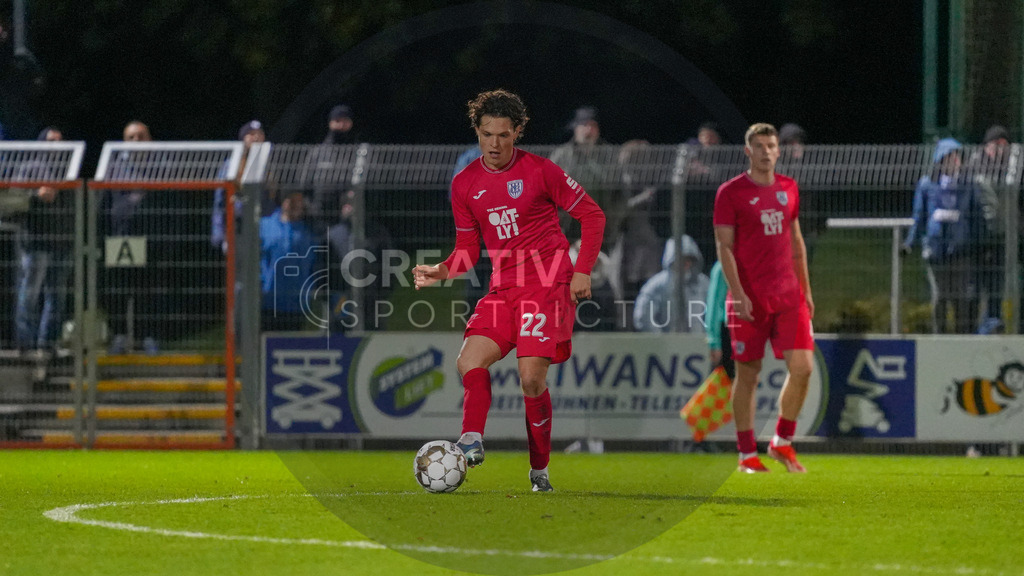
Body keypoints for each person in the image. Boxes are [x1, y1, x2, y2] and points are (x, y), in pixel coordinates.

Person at [413, 89, 605, 492]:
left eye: (503, 135)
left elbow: (592, 215)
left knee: (531, 380)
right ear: (477, 132)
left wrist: (582, 271)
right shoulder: (465, 184)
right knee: (469, 361)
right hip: (503, 288)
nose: (495, 144)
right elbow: (468, 251)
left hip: (547, 285)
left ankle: (539, 471)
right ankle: (471, 439)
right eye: (487, 134)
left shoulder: (541, 171)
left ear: (517, 132)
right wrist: (441, 271)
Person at [713, 122, 815, 473]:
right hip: (750, 299)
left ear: (778, 151)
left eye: (771, 146)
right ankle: (746, 454)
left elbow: (796, 241)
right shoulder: (730, 193)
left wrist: (806, 290)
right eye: (759, 146)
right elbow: (724, 247)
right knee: (748, 376)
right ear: (748, 151)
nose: (766, 152)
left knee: (803, 368)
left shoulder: (789, 187)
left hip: (788, 296)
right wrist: (738, 293)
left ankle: (781, 441)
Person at [902, 138, 984, 334]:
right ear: (940, 160)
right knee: (940, 296)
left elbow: (977, 216)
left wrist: (979, 245)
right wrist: (909, 243)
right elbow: (919, 216)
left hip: (961, 249)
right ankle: (939, 336)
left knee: (961, 298)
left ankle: (961, 337)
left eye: (957, 156)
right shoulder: (927, 184)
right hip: (936, 249)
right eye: (950, 157)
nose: (955, 161)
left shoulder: (968, 184)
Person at [12, 127, 72, 355]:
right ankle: (25, 345)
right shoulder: (29, 168)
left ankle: (47, 345)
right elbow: (14, 197)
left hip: (62, 242)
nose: (56, 145)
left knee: (57, 297)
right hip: (35, 242)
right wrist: (36, 194)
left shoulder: (69, 168)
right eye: (51, 141)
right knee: (30, 293)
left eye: (60, 141)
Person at [549, 106, 615, 248]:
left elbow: (620, 191)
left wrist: (613, 222)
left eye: (593, 125)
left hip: (600, 227)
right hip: (566, 226)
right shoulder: (561, 155)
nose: (589, 130)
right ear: (575, 128)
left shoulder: (608, 156)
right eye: (584, 125)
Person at [966, 125, 1010, 332]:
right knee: (974, 286)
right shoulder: (974, 167)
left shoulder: (1009, 170)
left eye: (1005, 146)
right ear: (988, 145)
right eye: (998, 145)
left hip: (999, 236)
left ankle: (992, 324)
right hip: (976, 238)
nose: (1002, 150)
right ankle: (971, 328)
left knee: (996, 285)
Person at [259, 191, 320, 331]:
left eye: (299, 202)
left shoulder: (309, 230)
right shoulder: (265, 226)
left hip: (297, 303)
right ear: (284, 202)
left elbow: (314, 263)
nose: (296, 205)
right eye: (292, 201)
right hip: (269, 300)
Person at [633, 235, 710, 333]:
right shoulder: (656, 285)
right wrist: (660, 339)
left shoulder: (703, 283)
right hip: (666, 342)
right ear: (672, 259)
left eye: (689, 259)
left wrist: (706, 337)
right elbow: (643, 317)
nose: (686, 263)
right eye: (681, 258)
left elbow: (713, 314)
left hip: (698, 341)